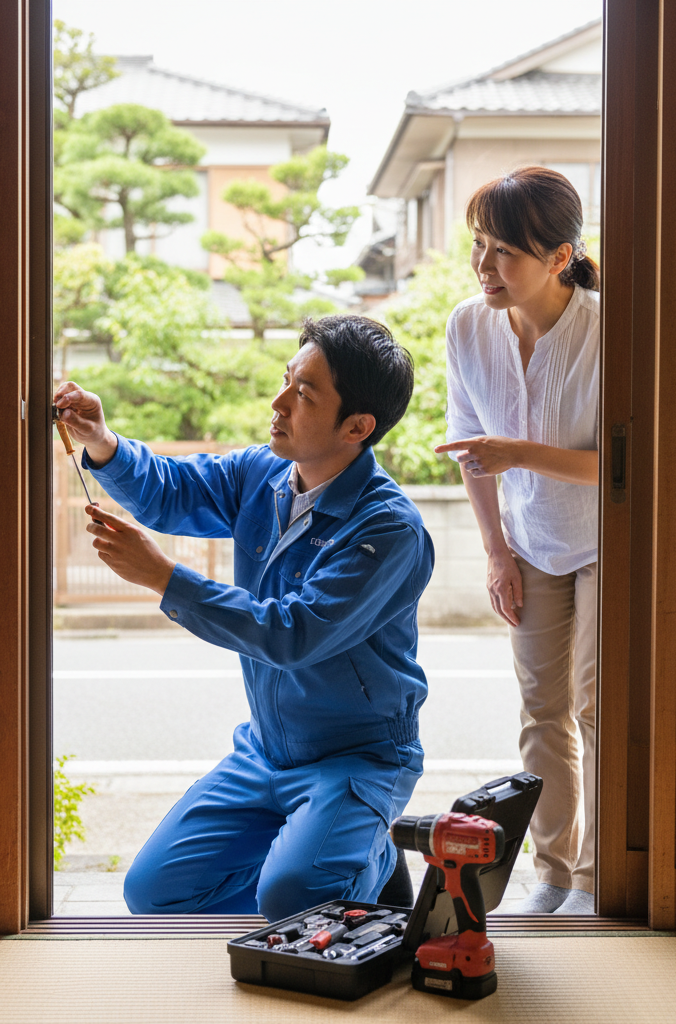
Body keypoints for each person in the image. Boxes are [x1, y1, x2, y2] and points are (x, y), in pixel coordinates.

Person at [53, 315, 434, 922]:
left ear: (358, 427)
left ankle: (367, 861)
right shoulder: (263, 473)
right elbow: (169, 490)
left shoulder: (388, 529)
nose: (279, 403)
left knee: (291, 895)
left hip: (358, 756)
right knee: (152, 892)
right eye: (288, 380)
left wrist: (163, 578)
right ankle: (321, 872)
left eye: (304, 394)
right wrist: (101, 441)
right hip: (266, 750)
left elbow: (291, 634)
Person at [434, 167, 600, 915]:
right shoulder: (467, 325)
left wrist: (519, 453)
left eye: (505, 250)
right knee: (542, 709)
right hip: (530, 543)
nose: (485, 265)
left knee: (597, 706)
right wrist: (496, 553)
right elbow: (469, 450)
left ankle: (598, 877)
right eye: (480, 245)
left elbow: (633, 465)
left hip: (605, 540)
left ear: (560, 257)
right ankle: (554, 872)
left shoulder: (608, 326)